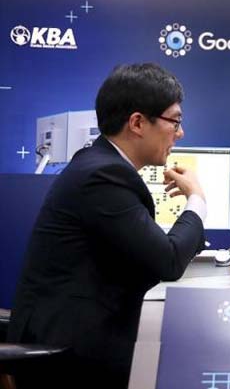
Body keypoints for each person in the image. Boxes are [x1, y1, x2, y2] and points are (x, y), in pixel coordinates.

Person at [8, 63, 207, 388]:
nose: (180, 133)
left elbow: (148, 259)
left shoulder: (99, 165)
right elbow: (167, 260)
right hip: (69, 356)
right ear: (138, 122)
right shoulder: (104, 176)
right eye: (175, 121)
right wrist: (197, 199)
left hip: (78, 339)